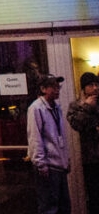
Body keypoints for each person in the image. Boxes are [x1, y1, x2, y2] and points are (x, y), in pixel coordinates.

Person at [28, 75, 71, 214]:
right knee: (49, 208)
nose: (57, 90)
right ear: (43, 89)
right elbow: (35, 137)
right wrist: (41, 163)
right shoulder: (36, 108)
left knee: (64, 206)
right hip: (48, 166)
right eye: (53, 87)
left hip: (59, 165)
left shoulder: (56, 107)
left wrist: (66, 159)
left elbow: (61, 135)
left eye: (58, 86)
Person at [68, 72, 99, 214]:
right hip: (91, 159)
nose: (95, 88)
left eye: (97, 84)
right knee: (94, 196)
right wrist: (87, 107)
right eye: (91, 85)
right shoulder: (76, 105)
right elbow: (76, 124)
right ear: (84, 88)